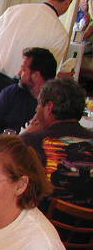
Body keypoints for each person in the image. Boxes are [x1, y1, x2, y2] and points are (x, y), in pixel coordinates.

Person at [0, 0, 72, 132]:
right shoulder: (60, 33)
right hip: (22, 95)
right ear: (68, 2)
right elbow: (46, 73)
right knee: (11, 142)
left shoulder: (15, 10)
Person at [22, 78, 93, 207]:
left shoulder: (31, 141)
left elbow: (3, 168)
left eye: (39, 104)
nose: (36, 109)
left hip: (45, 218)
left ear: (49, 107)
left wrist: (26, 134)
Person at [0, 47, 57, 134]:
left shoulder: (55, 104)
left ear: (36, 75)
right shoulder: (11, 93)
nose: (19, 73)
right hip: (6, 142)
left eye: (24, 70)